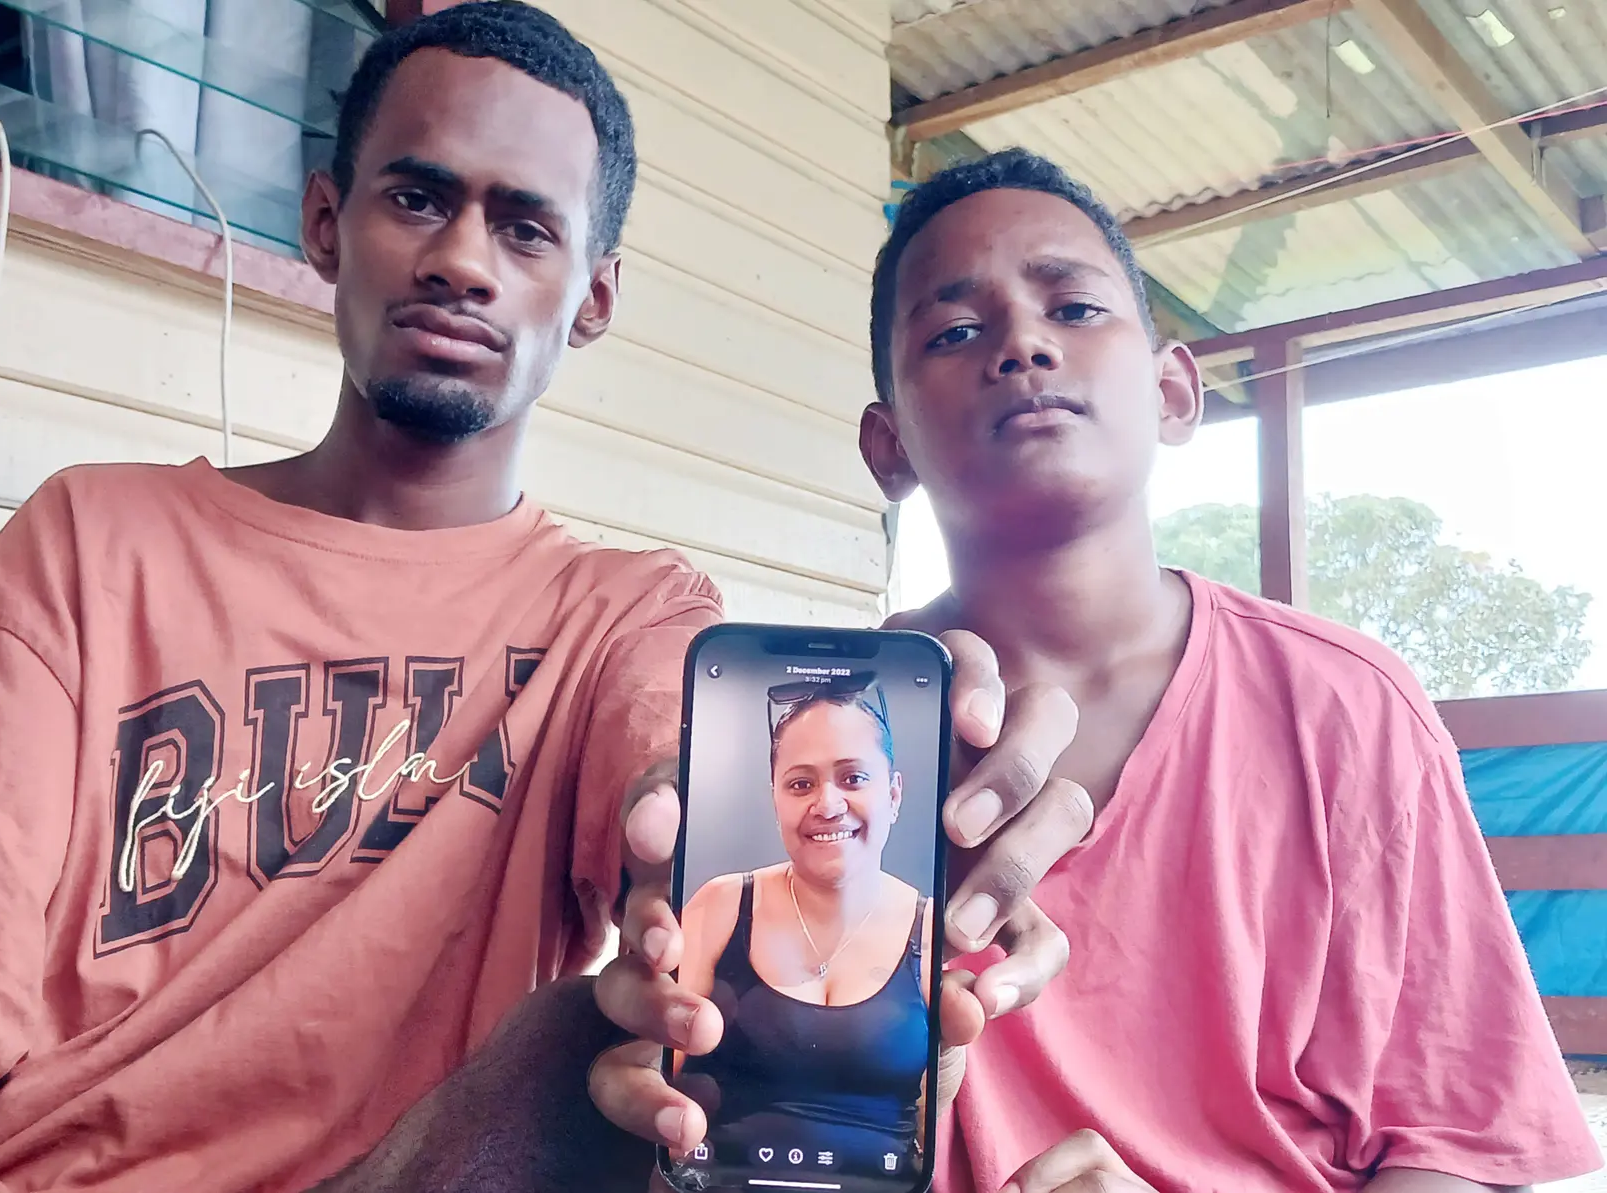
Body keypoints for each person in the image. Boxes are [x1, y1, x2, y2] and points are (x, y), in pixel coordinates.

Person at [0, 6, 1094, 1191]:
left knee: (585, 1043)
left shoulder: (621, 614)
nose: (463, 260)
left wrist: (834, 858)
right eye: (418, 198)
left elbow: (675, 777)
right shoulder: (98, 541)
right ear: (327, 222)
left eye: (527, 227)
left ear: (592, 299)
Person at [595, 145, 1603, 1192]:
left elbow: (1460, 1151)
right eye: (954, 330)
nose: (1024, 343)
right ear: (887, 447)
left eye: (1073, 309)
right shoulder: (825, 736)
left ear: (1174, 392)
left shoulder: (1347, 707)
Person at [675, 678, 935, 1171]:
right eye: (801, 784)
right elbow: (654, 1074)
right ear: (775, 799)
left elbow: (945, 1122)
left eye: (853, 778)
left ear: (894, 794)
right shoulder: (720, 906)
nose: (827, 803)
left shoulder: (933, 932)